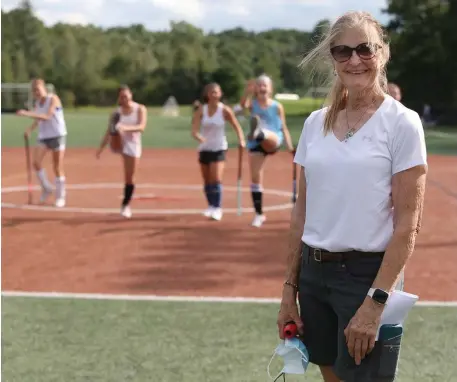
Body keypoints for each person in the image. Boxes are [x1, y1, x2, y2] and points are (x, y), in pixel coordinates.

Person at [277, 11, 427, 382]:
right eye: (343, 51)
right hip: (313, 274)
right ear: (332, 58)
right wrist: (288, 291)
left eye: (365, 49)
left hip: (366, 276)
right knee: (330, 374)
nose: (354, 60)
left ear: (383, 52)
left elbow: (408, 225)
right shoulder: (315, 123)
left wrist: (376, 303)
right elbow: (302, 213)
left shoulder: (401, 123)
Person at [239, 75, 295, 228]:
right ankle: (259, 214)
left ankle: (259, 132)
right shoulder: (253, 104)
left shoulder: (277, 106)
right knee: (255, 179)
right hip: (255, 144)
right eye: (259, 85)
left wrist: (290, 147)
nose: (262, 87)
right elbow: (243, 105)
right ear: (256, 89)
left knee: (265, 135)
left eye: (265, 85)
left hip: (273, 139)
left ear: (270, 89)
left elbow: (283, 127)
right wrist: (247, 91)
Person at [191, 83, 246, 220]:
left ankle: (217, 207)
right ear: (207, 94)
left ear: (220, 94)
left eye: (216, 92)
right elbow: (194, 130)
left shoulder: (224, 110)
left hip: (219, 147)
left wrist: (241, 140)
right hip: (205, 148)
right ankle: (210, 206)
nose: (214, 95)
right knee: (207, 180)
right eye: (211, 92)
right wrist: (199, 137)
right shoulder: (201, 110)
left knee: (216, 178)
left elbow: (236, 126)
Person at [96, 85, 147, 219]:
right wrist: (101, 148)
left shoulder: (139, 109)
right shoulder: (116, 113)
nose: (124, 99)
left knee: (130, 177)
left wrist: (125, 128)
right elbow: (109, 131)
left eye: (126, 95)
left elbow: (141, 127)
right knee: (127, 175)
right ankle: (125, 206)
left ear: (131, 95)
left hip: (133, 144)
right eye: (121, 96)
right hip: (120, 143)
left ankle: (126, 204)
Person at [16, 78, 68, 207]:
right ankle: (47, 187)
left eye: (38, 89)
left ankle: (60, 196)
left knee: (57, 167)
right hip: (44, 136)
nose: (36, 92)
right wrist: (30, 129)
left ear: (44, 88)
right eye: (34, 90)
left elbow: (47, 116)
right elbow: (38, 119)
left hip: (57, 135)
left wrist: (26, 113)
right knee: (36, 162)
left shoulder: (53, 99)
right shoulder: (37, 104)